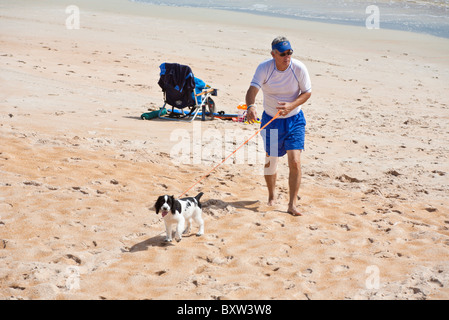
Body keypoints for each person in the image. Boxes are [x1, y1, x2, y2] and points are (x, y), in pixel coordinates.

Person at [245, 36, 312, 216]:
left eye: (289, 52)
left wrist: (291, 106)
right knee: (271, 160)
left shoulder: (298, 68)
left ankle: (292, 204)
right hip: (271, 121)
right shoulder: (264, 68)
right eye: (282, 53)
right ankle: (272, 194)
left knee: (295, 161)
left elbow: (307, 92)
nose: (287, 56)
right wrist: (251, 106)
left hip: (294, 119)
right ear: (273, 54)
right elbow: (252, 90)